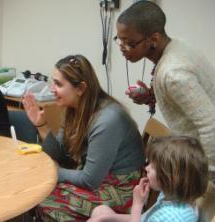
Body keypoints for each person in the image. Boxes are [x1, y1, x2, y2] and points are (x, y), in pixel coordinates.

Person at [22, 54, 145, 221]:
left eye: (58, 84)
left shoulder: (108, 119)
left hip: (122, 190)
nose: (51, 88)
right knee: (37, 188)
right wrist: (41, 125)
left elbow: (90, 179)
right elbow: (60, 153)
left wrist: (53, 172)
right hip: (96, 178)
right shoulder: (73, 108)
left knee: (42, 197)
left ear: (80, 88)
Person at [115, 1, 215, 180]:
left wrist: (206, 177)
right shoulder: (177, 46)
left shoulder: (173, 73)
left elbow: (211, 126)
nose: (122, 48)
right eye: (119, 40)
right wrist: (150, 97)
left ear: (153, 39)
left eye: (129, 43)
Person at [88, 136, 209, 222]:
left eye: (153, 166)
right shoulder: (169, 195)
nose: (147, 168)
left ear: (170, 178)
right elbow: (143, 219)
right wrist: (104, 218)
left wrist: (137, 205)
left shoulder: (171, 216)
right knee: (101, 211)